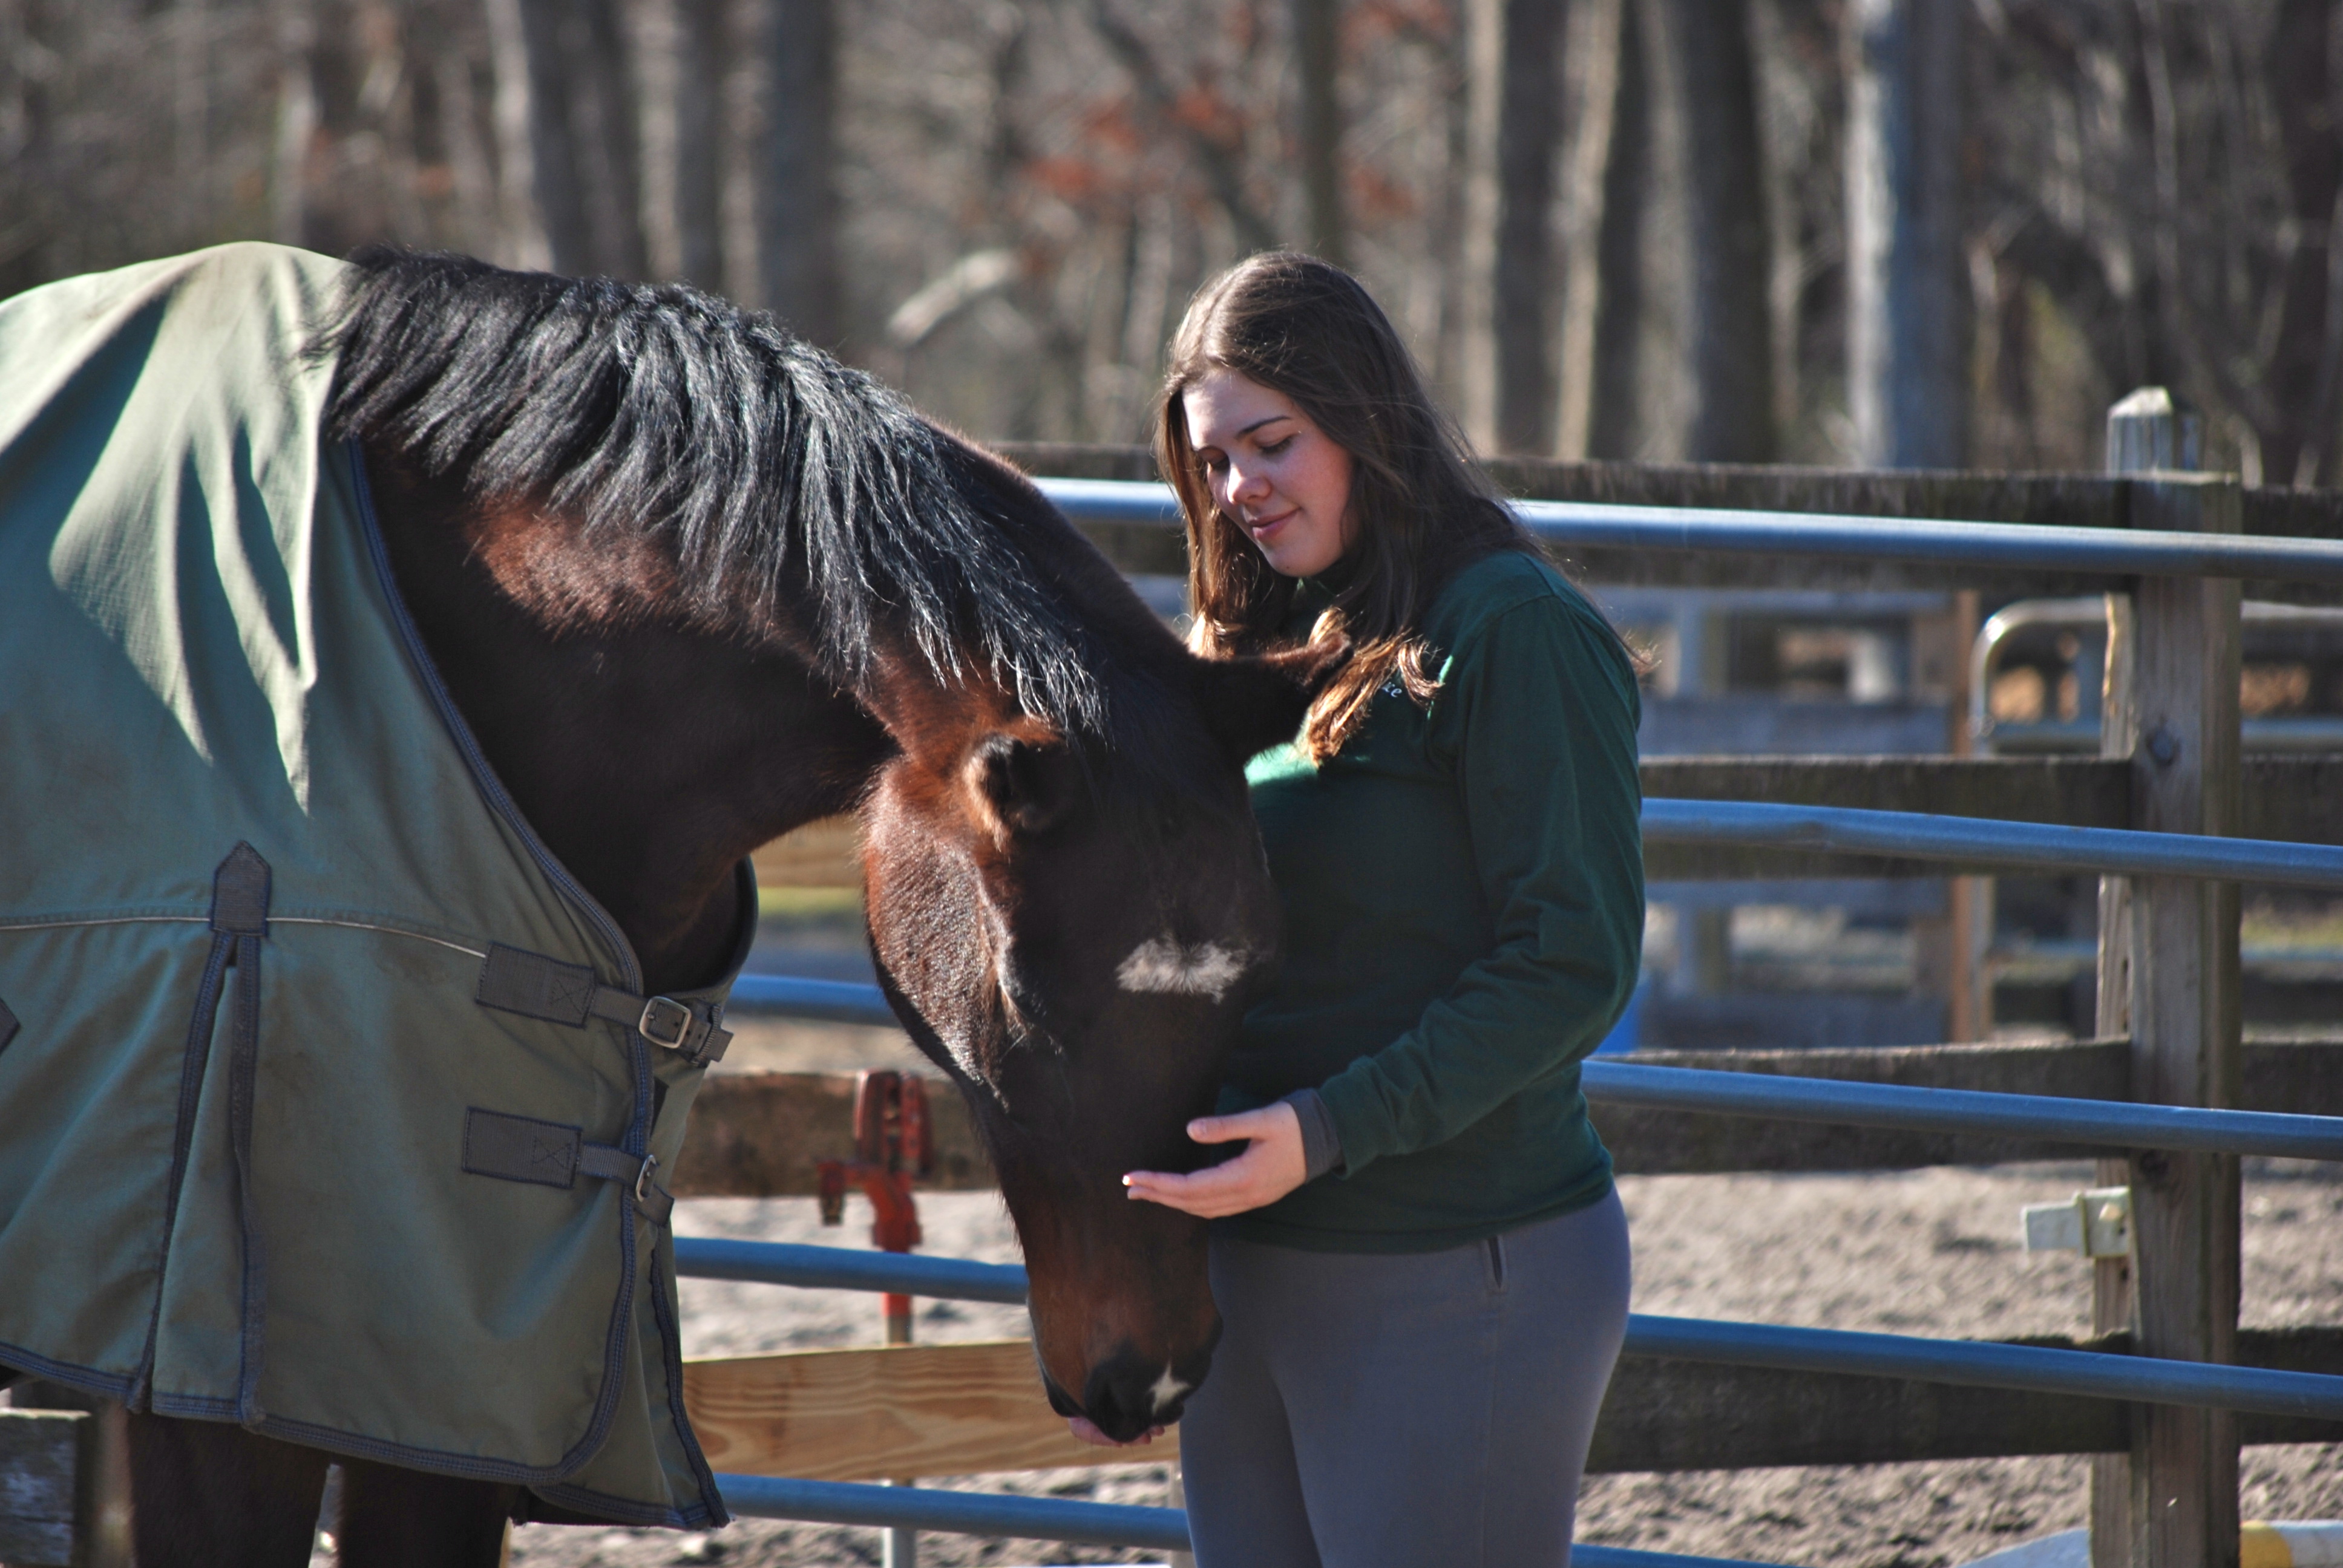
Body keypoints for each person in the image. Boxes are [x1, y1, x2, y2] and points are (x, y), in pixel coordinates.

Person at [1095, 252, 1643, 1567]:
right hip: (1244, 1275)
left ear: (1365, 415)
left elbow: (1570, 964)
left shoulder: (1509, 629)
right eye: (1213, 461)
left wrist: (1330, 1128)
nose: (1240, 491)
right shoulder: (1266, 645)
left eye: (1270, 444)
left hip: (1452, 1267)